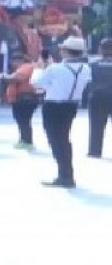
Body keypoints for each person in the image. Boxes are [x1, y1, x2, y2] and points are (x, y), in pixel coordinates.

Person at [32, 36, 92, 188]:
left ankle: (64, 176)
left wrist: (40, 68)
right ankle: (66, 174)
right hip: (71, 106)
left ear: (66, 51)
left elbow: (36, 83)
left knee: (56, 140)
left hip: (53, 106)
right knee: (64, 139)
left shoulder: (56, 68)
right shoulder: (85, 69)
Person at [2, 53, 40, 150]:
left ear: (20, 61)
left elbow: (18, 78)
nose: (12, 64)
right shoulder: (25, 67)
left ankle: (27, 141)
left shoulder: (26, 67)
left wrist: (5, 77)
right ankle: (23, 139)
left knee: (24, 121)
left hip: (25, 98)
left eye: (14, 61)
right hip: (23, 98)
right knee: (22, 121)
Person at [87, 38, 112, 158]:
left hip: (97, 97)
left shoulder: (93, 65)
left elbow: (87, 82)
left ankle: (94, 151)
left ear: (101, 49)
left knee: (96, 125)